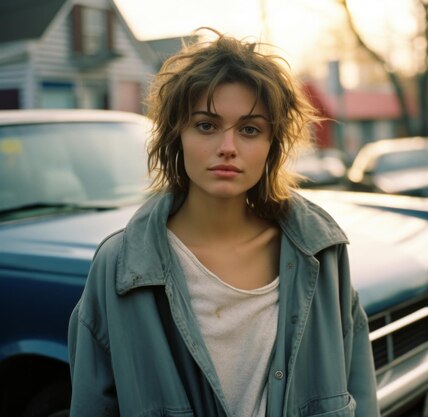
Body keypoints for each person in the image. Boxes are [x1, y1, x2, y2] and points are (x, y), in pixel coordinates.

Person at [68, 28, 379, 417]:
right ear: (175, 136)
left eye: (250, 129)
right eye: (206, 125)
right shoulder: (118, 268)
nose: (227, 147)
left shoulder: (322, 254)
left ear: (272, 145)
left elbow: (360, 392)